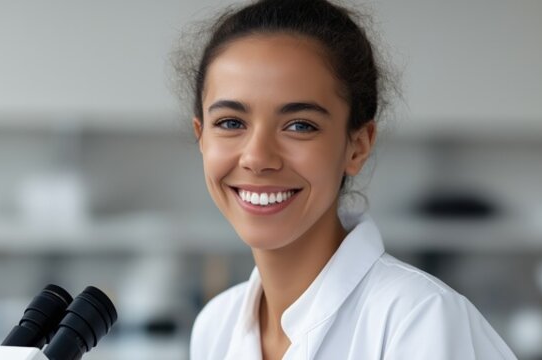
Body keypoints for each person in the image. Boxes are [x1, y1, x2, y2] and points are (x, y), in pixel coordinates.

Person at [178, 0, 516, 359]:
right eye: (231, 123)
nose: (258, 158)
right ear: (200, 134)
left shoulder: (420, 319)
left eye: (299, 125)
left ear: (357, 146)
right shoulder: (216, 327)